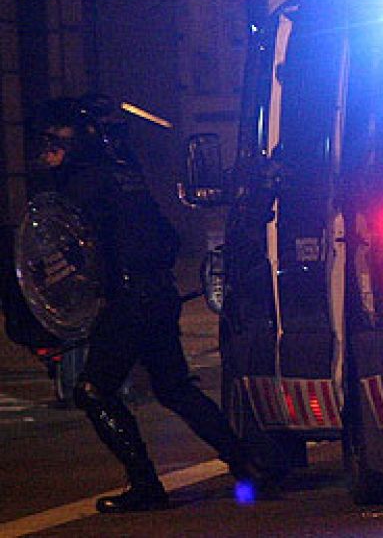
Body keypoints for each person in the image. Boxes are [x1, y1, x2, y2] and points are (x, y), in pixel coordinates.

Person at [33, 95, 279, 513]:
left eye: (55, 139)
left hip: (128, 300)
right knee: (173, 387)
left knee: (93, 392)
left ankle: (145, 483)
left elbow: (79, 250)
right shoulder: (125, 176)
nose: (47, 149)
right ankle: (247, 464)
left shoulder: (83, 184)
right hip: (156, 293)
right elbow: (167, 238)